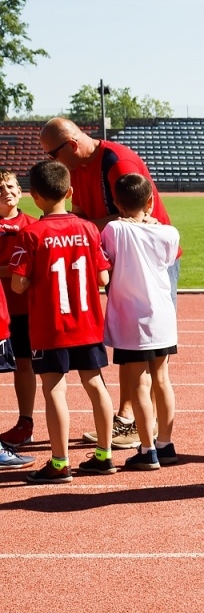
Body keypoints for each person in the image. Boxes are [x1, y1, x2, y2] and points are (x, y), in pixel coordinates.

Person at [40, 116, 177, 451]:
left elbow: (134, 217)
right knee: (139, 351)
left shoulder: (117, 162)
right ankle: (141, 427)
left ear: (71, 145)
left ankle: (136, 425)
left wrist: (85, 228)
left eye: (53, 155)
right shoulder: (79, 168)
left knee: (140, 350)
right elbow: (85, 215)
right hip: (116, 257)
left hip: (145, 261)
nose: (52, 163)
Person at [9, 160, 113, 482]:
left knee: (54, 389)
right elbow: (103, 278)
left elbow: (18, 284)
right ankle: (105, 454)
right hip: (87, 323)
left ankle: (59, 462)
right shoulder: (88, 228)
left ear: (34, 197)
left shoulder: (31, 233)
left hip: (51, 327)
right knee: (95, 383)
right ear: (69, 191)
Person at [100, 174, 180, 471]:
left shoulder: (114, 229)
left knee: (140, 383)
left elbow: (106, 259)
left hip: (131, 319)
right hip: (161, 315)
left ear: (117, 203)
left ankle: (147, 449)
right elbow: (167, 260)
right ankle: (166, 443)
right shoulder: (169, 232)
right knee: (162, 380)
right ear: (150, 201)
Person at [0, 170, 38, 447]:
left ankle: (26, 423)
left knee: (24, 363)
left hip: (23, 309)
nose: (6, 192)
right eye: (0, 188)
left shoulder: (33, 225)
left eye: (11, 186)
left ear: (20, 191)